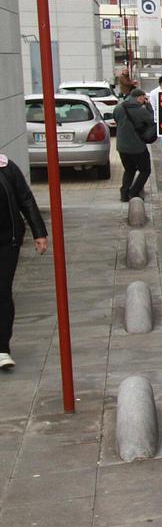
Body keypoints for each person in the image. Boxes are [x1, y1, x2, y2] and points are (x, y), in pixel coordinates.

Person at [0, 155, 48, 371]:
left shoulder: (6, 167)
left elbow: (25, 199)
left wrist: (39, 233)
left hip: (6, 242)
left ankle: (2, 349)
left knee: (2, 293)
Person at [112, 88, 157, 202]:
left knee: (129, 169)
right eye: (144, 98)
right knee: (145, 170)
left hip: (121, 146)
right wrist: (148, 106)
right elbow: (152, 120)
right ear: (139, 97)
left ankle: (124, 193)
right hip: (137, 147)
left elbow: (116, 120)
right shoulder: (140, 110)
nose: (144, 100)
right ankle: (134, 191)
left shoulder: (118, 108)